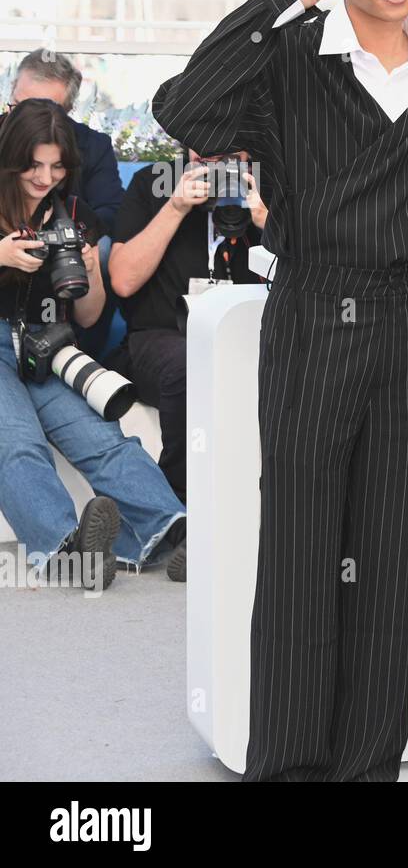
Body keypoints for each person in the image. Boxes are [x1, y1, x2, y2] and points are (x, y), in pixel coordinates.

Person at [151, 0, 408, 782]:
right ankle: (289, 771)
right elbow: (182, 110)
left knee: (390, 569)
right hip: (314, 317)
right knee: (303, 561)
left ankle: (366, 770)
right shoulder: (289, 58)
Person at [0, 98, 186, 589]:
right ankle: (70, 551)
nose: (45, 178)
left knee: (105, 441)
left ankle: (174, 531)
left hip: (48, 346)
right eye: (34, 165)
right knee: (17, 445)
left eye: (57, 166)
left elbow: (86, 315)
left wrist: (91, 272)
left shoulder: (71, 214)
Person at [108, 147, 267, 581]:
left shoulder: (270, 183)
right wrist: (175, 208)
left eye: (232, 155)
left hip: (250, 338)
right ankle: (183, 515)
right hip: (162, 340)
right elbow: (122, 280)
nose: (218, 166)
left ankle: (273, 521)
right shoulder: (154, 183)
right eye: (207, 152)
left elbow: (316, 277)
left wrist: (272, 224)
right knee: (189, 364)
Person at [9, 50, 124, 232]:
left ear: (67, 111)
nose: (28, 125)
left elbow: (110, 210)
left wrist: (74, 236)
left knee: (100, 247)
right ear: (12, 88)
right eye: (20, 107)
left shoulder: (93, 146)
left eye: (57, 165)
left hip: (70, 242)